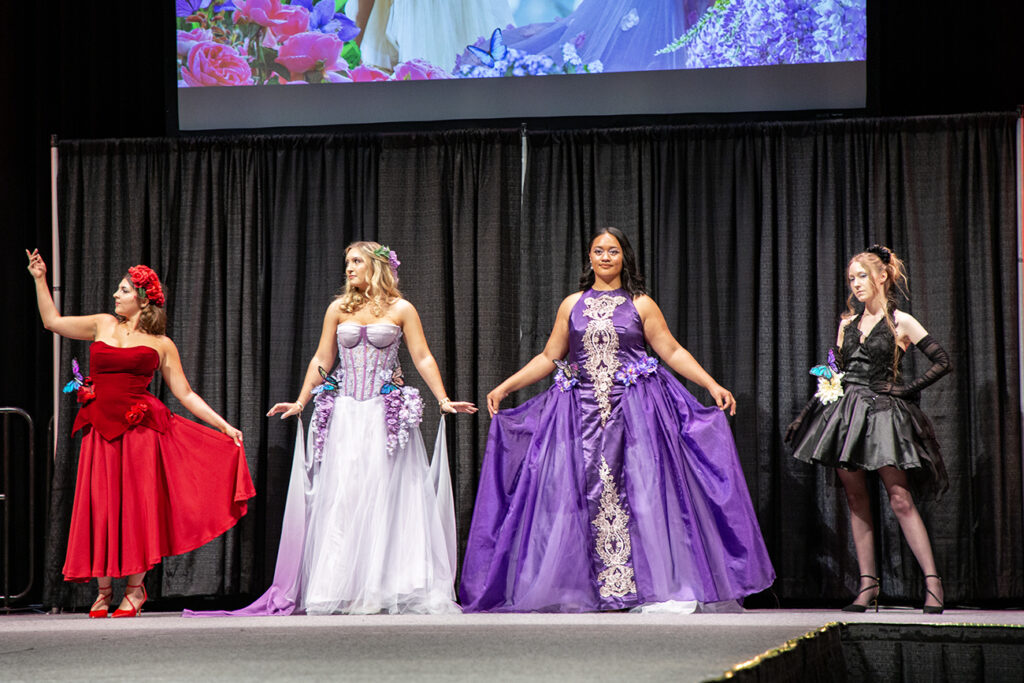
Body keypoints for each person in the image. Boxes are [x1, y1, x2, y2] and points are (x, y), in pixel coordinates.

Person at [459, 228, 775, 613]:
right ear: (589, 258)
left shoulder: (640, 303)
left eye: (613, 251)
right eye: (598, 251)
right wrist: (506, 387)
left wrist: (710, 384)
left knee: (644, 495)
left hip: (636, 414)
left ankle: (640, 587)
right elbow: (549, 356)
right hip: (578, 414)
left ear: (624, 257)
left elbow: (671, 350)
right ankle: (590, 589)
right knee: (572, 498)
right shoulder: (571, 304)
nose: (605, 257)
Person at [187, 241, 476, 617]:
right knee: (345, 498)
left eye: (356, 261)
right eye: (347, 262)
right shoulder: (338, 309)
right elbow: (322, 359)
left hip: (383, 416)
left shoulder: (401, 309)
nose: (349, 268)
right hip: (345, 416)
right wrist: (301, 401)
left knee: (386, 498)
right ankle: (340, 585)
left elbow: (422, 356)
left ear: (377, 265)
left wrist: (442, 399)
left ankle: (381, 586)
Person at [26, 249, 255, 618]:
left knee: (134, 511)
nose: (115, 295)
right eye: (117, 290)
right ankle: (102, 591)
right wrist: (39, 278)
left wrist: (224, 425)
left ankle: (134, 590)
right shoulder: (102, 324)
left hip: (139, 435)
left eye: (123, 290)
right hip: (100, 432)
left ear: (142, 297)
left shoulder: (161, 344)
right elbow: (52, 321)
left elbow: (186, 394)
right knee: (99, 507)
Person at [786, 245, 950, 614]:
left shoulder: (900, 321)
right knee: (856, 500)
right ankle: (867, 585)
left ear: (881, 277)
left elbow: (942, 360)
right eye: (851, 278)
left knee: (899, 497)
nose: (856, 284)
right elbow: (836, 376)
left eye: (861, 276)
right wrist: (806, 412)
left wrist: (906, 389)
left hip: (882, 414)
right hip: (847, 416)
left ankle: (933, 583)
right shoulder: (847, 324)